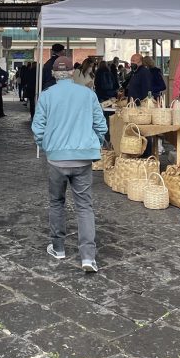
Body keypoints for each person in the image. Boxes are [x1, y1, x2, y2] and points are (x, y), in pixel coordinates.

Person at [32, 55, 106, 273]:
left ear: (54, 74)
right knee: (84, 206)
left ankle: (58, 247)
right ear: (73, 73)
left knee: (56, 202)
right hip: (83, 157)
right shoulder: (87, 94)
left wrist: (47, 146)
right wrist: (94, 144)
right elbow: (100, 125)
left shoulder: (46, 96)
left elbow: (38, 129)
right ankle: (88, 257)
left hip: (56, 159)